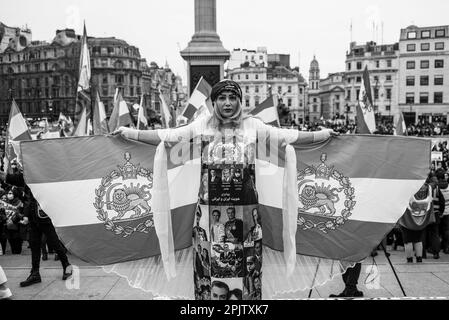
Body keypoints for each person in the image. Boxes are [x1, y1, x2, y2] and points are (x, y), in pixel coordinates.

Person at [113, 79, 338, 300]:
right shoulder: (202, 125)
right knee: (210, 274)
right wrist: (129, 133)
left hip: (248, 218)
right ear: (214, 102)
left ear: (240, 101)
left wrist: (324, 134)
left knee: (247, 274)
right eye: (222, 98)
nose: (227, 103)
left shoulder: (253, 126)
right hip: (208, 219)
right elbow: (167, 136)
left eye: (233, 98)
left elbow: (289, 137)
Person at [0, 164, 73, 287]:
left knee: (55, 243)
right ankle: (35, 274)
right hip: (33, 217)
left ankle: (67, 267)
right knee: (34, 245)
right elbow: (7, 177)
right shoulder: (26, 176)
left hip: (44, 216)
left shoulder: (45, 174)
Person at [398, 183, 435, 263]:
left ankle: (409, 259)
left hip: (407, 218)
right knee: (418, 239)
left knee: (408, 240)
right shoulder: (428, 187)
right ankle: (419, 258)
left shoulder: (409, 187)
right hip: (422, 217)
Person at [436, 168, 449, 254]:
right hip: (448, 212)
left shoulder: (436, 187)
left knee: (436, 231)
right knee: (447, 230)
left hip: (438, 212)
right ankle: (446, 247)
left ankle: (436, 247)